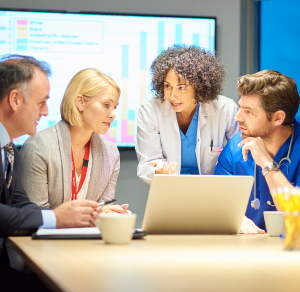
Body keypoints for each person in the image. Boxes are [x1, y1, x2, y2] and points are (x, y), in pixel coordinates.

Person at [0, 55, 101, 292]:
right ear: (15, 99)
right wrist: (54, 218)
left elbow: (19, 202)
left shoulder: (10, 149)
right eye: (41, 102)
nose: (46, 111)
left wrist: (70, 217)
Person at [19, 68, 130, 215]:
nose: (113, 114)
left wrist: (110, 214)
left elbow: (103, 209)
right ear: (80, 102)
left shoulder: (111, 153)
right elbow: (35, 217)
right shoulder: (38, 147)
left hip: (90, 238)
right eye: (106, 105)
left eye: (114, 107)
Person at [136, 45, 239, 184]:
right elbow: (146, 164)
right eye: (168, 86)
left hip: (213, 190)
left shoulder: (225, 109)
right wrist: (158, 170)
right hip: (170, 190)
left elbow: (241, 156)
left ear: (199, 86)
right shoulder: (150, 110)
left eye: (182, 87)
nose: (173, 96)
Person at [214, 70, 300, 234]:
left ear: (277, 118)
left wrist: (267, 165)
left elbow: (296, 215)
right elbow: (217, 203)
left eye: (249, 111)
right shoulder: (235, 148)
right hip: (247, 250)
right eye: (240, 108)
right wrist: (234, 219)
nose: (237, 117)